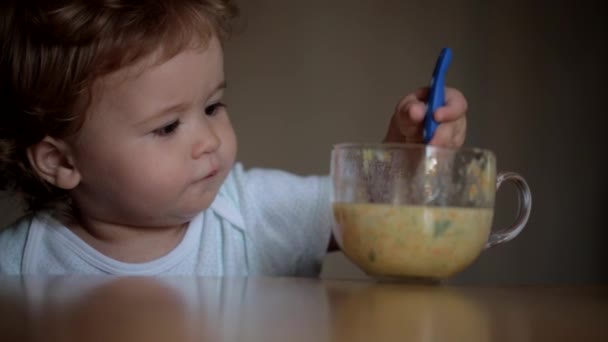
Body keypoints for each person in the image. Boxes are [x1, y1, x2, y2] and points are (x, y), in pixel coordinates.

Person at [0, 0, 468, 276]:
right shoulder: (20, 265)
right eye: (167, 127)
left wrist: (408, 149)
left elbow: (373, 206)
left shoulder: (250, 210)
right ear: (60, 162)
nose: (208, 140)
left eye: (212, 107)